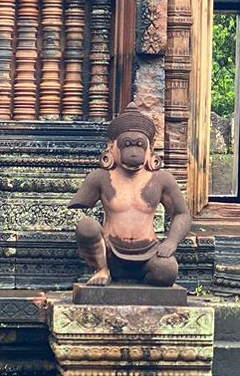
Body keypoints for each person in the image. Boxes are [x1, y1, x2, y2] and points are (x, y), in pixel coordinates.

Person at [70, 100, 191, 287]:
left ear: (150, 148)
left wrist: (171, 242)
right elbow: (80, 210)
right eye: (126, 145)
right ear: (112, 147)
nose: (133, 153)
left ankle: (141, 280)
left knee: (167, 271)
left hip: (149, 253)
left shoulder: (162, 179)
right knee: (86, 226)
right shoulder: (100, 177)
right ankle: (102, 270)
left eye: (139, 145)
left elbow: (182, 214)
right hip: (109, 253)